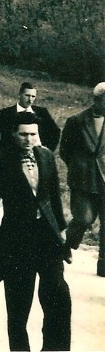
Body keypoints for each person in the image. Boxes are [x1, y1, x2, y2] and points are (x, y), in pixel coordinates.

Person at [0, 112, 71, 352]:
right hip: (16, 242)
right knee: (19, 308)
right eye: (23, 134)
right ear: (13, 134)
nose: (28, 139)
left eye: (33, 134)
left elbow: (54, 197)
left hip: (48, 240)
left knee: (59, 298)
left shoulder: (46, 156)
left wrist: (61, 230)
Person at [60, 81, 105, 277]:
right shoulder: (76, 121)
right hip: (83, 180)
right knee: (84, 218)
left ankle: (103, 266)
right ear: (97, 99)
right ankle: (65, 245)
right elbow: (65, 151)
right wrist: (79, 167)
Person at [0, 82, 61, 152]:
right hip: (11, 156)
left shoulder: (42, 112)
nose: (30, 99)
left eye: (33, 96)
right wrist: (3, 150)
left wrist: (47, 150)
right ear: (19, 94)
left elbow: (55, 132)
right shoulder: (5, 113)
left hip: (37, 155)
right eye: (27, 95)